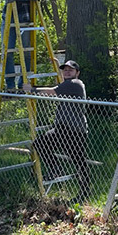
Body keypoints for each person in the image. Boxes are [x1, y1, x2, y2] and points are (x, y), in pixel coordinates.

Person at [23, 60, 90, 202]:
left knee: (78, 160)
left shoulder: (75, 84)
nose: (67, 72)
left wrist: (31, 89)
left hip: (75, 130)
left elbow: (51, 91)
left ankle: (85, 190)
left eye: (70, 70)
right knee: (40, 143)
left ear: (77, 73)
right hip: (61, 129)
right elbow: (55, 89)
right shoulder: (65, 85)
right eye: (65, 70)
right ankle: (56, 169)